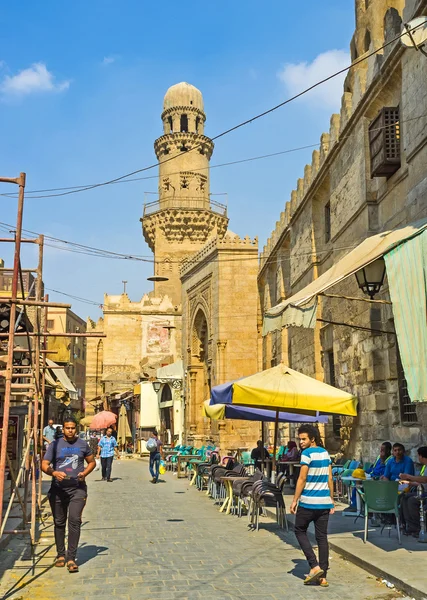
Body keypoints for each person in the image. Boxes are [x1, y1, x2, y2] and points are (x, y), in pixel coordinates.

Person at [41, 415, 95, 573]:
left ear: (76, 429)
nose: (70, 430)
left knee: (74, 520)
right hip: (58, 489)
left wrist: (84, 473)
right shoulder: (55, 445)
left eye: (73, 428)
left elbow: (91, 462)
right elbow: (44, 464)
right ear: (63, 429)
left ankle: (71, 557)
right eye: (67, 428)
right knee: (59, 522)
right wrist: (54, 472)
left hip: (77, 488)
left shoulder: (82, 444)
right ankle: (60, 554)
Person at [290, 424, 334, 588]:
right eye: (299, 439)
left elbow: (302, 479)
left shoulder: (306, 454)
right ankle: (323, 576)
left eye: (304, 439)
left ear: (312, 439)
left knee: (299, 530)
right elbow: (330, 478)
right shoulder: (325, 453)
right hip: (324, 503)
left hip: (308, 502)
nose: (301, 442)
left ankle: (314, 566)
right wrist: (331, 499)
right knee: (322, 537)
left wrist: (295, 500)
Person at [399, 446, 427, 536]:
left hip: (425, 494)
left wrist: (408, 476)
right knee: (404, 497)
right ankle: (410, 526)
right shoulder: (424, 467)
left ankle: (417, 527)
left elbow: (424, 480)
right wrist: (409, 482)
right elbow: (421, 482)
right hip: (422, 490)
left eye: (419, 456)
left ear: (421, 456)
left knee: (412, 501)